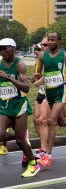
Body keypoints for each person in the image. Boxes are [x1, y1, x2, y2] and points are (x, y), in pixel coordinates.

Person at [33, 32, 66, 166]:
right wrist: (35, 78)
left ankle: (48, 155)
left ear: (59, 42)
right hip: (48, 92)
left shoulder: (65, 55)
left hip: (61, 92)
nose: (50, 42)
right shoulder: (41, 56)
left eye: (53, 40)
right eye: (48, 40)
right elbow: (39, 73)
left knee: (51, 120)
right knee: (61, 122)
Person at [0, 38, 40, 177]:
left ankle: (33, 164)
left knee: (19, 140)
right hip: (5, 105)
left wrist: (9, 77)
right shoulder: (0, 63)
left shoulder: (20, 65)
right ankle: (22, 137)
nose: (1, 51)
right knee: (1, 134)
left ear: (12, 48)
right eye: (0, 49)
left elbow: (26, 87)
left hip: (19, 105)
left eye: (4, 48)